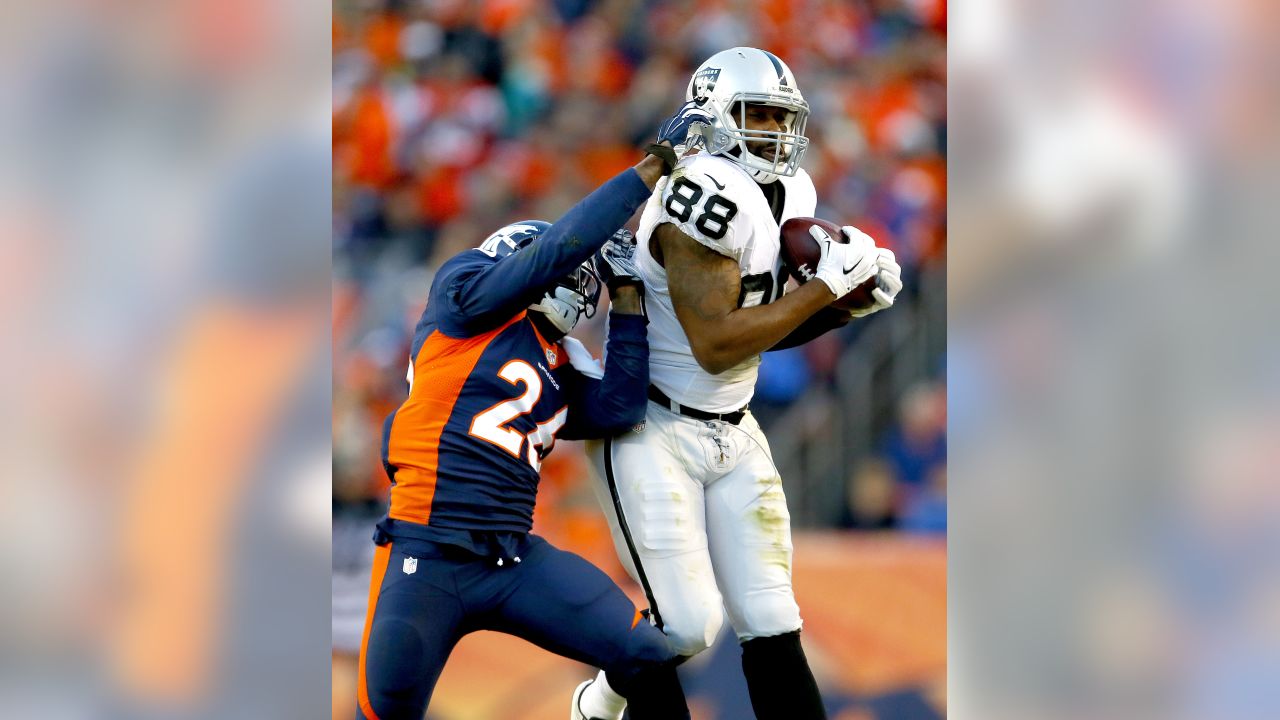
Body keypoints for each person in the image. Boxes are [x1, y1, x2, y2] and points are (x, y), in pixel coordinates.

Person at [573, 48, 904, 720]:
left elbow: (760, 329)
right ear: (714, 116)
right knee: (689, 625)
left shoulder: (792, 192)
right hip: (653, 427)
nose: (776, 133)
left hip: (733, 426)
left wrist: (843, 308)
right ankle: (601, 701)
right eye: (759, 115)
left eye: (785, 118)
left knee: (772, 618)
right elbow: (716, 342)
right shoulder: (700, 192)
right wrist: (825, 290)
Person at [355, 102, 712, 720]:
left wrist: (629, 300)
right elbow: (552, 256)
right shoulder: (463, 300)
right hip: (427, 552)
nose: (583, 285)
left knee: (644, 656)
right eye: (582, 276)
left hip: (512, 557)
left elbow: (620, 408)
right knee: (384, 712)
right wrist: (646, 174)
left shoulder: (555, 361)